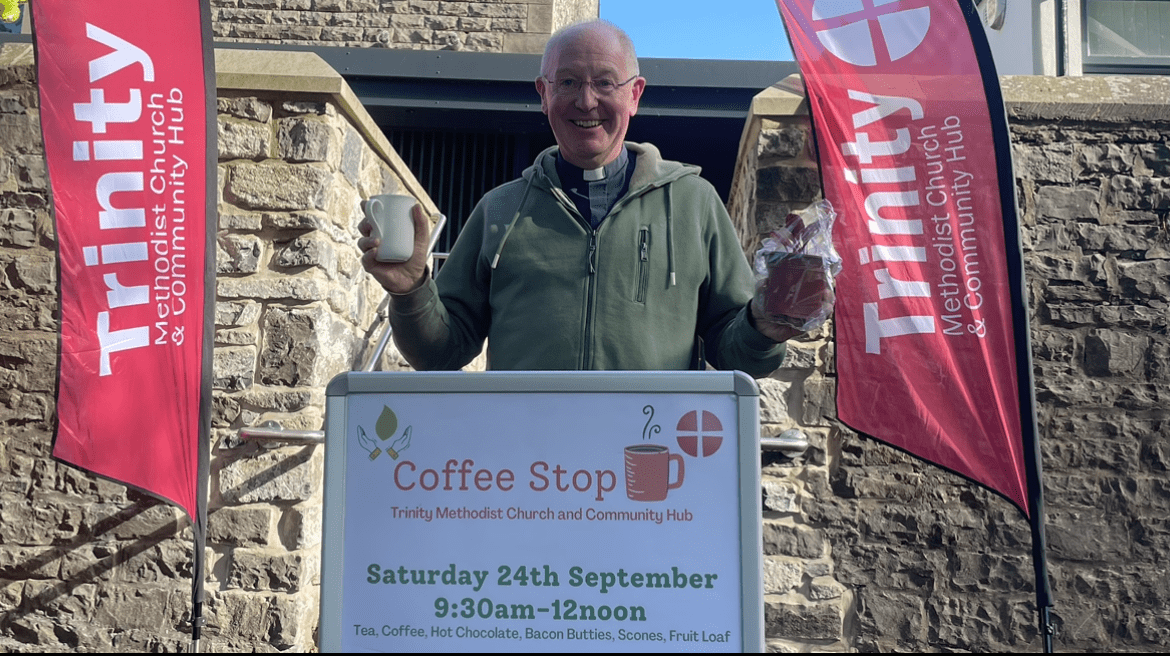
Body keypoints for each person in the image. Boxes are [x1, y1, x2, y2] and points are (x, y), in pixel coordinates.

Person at [357, 20, 815, 378]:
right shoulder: (499, 209)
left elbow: (736, 354)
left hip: (650, 459)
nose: (586, 101)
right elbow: (441, 353)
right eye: (569, 82)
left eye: (605, 83)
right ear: (544, 93)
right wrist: (411, 290)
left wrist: (763, 327)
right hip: (528, 469)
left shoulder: (695, 204)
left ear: (634, 95)